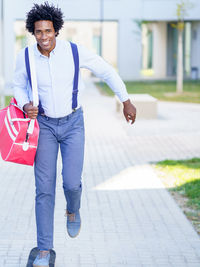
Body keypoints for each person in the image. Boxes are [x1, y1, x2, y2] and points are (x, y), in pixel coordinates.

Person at [13, 2, 137, 267]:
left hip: (73, 124)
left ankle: (73, 208)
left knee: (71, 183)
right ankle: (45, 250)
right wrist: (25, 104)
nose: (44, 36)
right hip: (44, 126)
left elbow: (106, 70)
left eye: (48, 30)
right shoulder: (26, 56)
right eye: (38, 32)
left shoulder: (74, 52)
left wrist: (125, 99)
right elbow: (18, 85)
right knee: (43, 189)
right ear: (32, 33)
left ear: (57, 30)